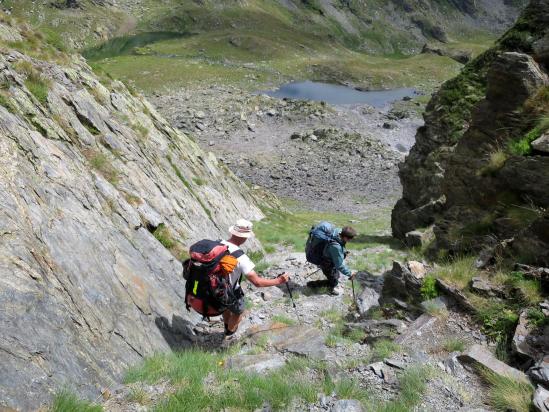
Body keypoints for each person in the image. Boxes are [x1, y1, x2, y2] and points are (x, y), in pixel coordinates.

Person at [221, 219, 290, 341]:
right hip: (229, 290)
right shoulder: (241, 257)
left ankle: (226, 325)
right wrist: (279, 281)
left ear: (233, 232)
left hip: (216, 288)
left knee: (225, 306)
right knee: (238, 311)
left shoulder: (219, 244)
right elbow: (257, 282)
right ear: (244, 237)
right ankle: (229, 334)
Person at [319, 225, 357, 296]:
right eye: (350, 239)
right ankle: (328, 289)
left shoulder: (338, 232)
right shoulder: (336, 247)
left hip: (329, 259)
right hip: (327, 264)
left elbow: (340, 246)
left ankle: (329, 283)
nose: (350, 240)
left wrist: (343, 252)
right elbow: (339, 265)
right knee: (334, 280)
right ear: (345, 237)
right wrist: (350, 274)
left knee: (336, 275)